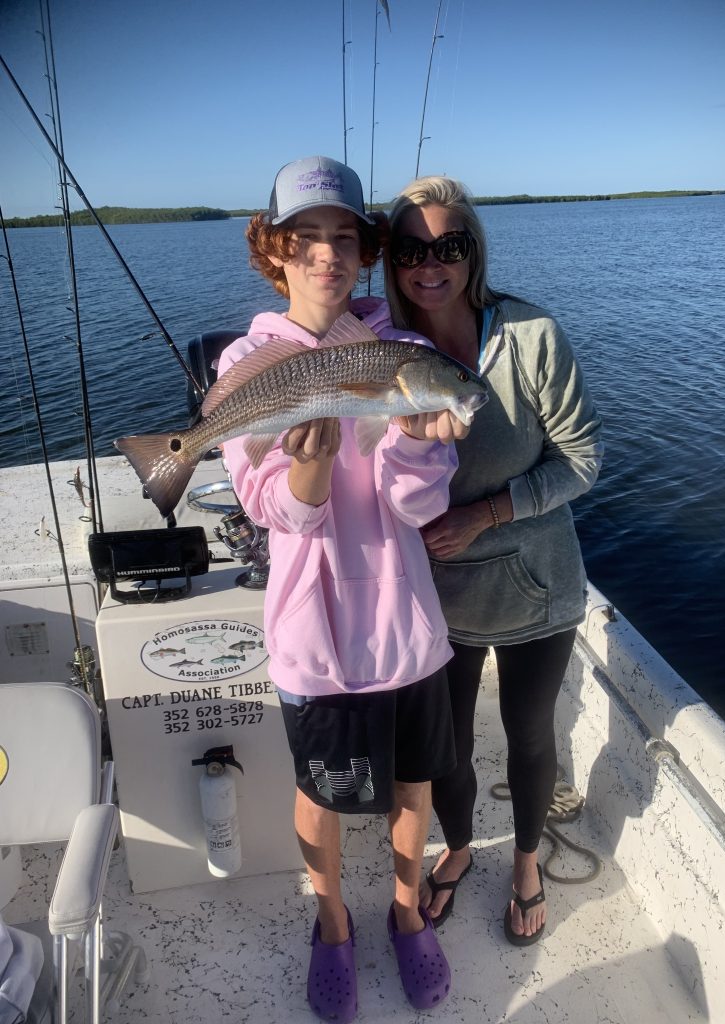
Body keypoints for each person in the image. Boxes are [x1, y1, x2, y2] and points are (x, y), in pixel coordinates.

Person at [218, 156, 469, 1023]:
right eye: (306, 237)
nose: (326, 254)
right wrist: (311, 477)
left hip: (403, 625)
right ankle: (331, 922)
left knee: (412, 784)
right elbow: (269, 510)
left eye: (344, 238)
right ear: (275, 249)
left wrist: (415, 443)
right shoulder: (250, 361)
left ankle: (404, 913)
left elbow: (414, 502)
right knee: (320, 790)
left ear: (365, 253)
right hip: (313, 634)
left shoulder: (403, 352)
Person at [383, 175, 603, 946]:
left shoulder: (533, 335)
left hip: (536, 587)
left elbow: (581, 462)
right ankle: (463, 848)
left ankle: (529, 860)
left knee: (529, 731)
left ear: (475, 252)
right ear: (392, 260)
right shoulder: (383, 348)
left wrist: (488, 512)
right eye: (410, 247)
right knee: (444, 739)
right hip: (434, 595)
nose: (430, 263)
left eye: (450, 245)